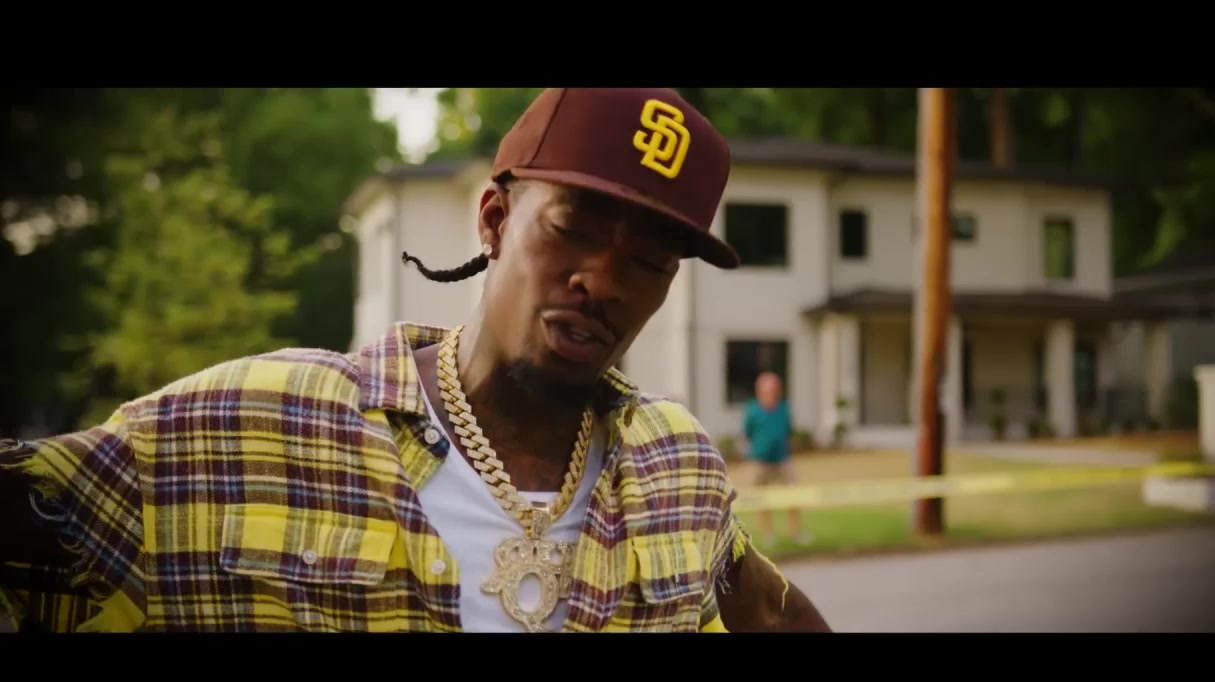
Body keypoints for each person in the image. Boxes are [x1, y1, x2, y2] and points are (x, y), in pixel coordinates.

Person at [0, 87, 832, 633]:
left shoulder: (674, 464)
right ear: (495, 219)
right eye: (573, 227)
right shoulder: (250, 424)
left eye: (649, 260)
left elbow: (767, 610)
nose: (604, 281)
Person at [743, 371, 811, 547]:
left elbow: (788, 430)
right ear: (759, 392)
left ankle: (796, 532)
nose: (770, 395)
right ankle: (767, 534)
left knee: (793, 495)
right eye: (766, 392)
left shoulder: (783, 409)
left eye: (773, 391)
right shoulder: (753, 411)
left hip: (782, 459)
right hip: (760, 461)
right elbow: (748, 433)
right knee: (762, 499)